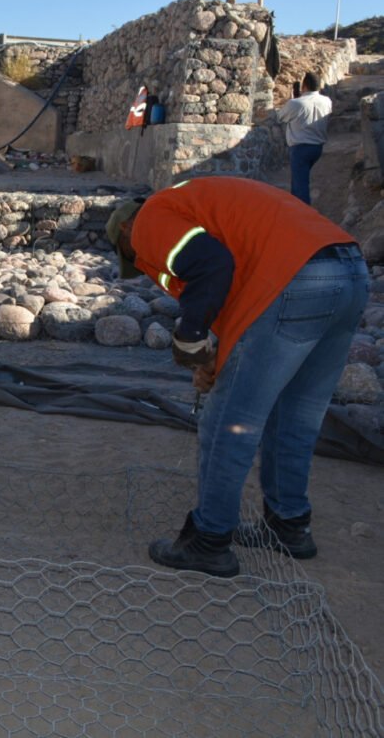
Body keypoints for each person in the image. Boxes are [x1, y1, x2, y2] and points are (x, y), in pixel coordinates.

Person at [106, 176, 368, 578]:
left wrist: (189, 340)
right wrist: (211, 359)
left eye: (133, 255)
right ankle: (289, 525)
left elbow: (213, 266)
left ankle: (209, 542)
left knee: (229, 422)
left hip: (295, 279)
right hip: (347, 271)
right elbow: (241, 304)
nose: (145, 264)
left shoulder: (149, 220)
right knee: (296, 413)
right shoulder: (203, 203)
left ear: (126, 230)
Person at [275, 71, 332, 204]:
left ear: (304, 85)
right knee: (299, 181)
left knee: (300, 186)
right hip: (317, 148)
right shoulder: (327, 101)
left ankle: (302, 216)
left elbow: (280, 117)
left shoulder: (296, 103)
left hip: (300, 148)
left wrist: (291, 100)